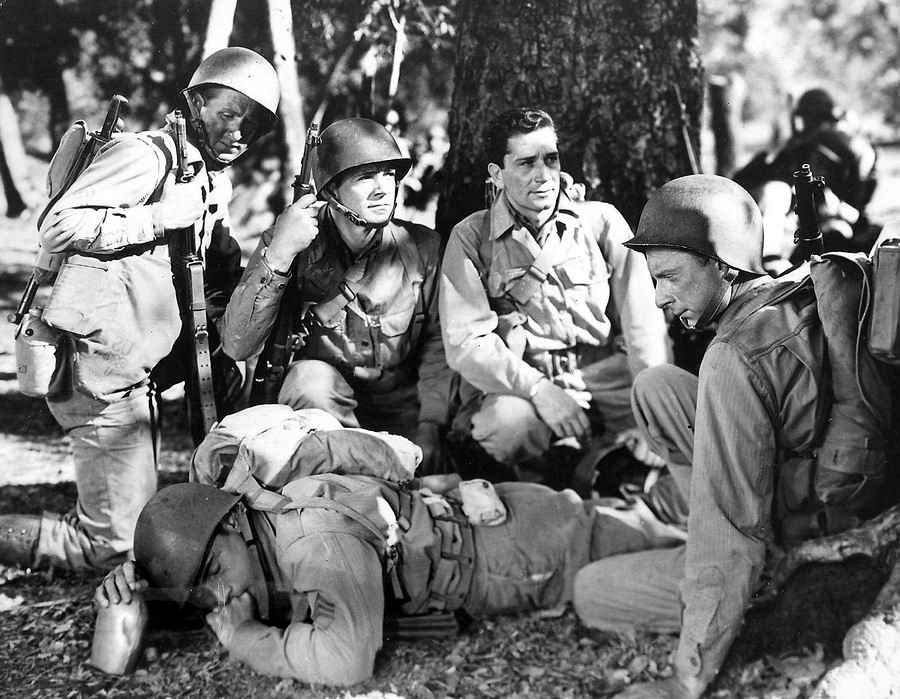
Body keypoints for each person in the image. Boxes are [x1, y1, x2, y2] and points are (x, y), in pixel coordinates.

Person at [572, 174, 895, 698]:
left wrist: (686, 679)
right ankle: (702, 528)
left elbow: (733, 536)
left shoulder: (732, 358)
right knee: (656, 387)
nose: (659, 298)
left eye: (671, 277)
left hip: (805, 549)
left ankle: (745, 593)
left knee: (593, 591)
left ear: (722, 265)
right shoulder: (792, 291)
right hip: (832, 493)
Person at [94, 403, 687, 687]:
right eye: (201, 588)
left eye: (211, 570)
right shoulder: (249, 517)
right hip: (499, 522)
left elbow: (346, 662)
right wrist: (136, 586)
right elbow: (203, 583)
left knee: (671, 561)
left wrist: (249, 638)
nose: (218, 593)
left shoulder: (315, 544)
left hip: (527, 549)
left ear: (230, 525)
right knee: (647, 526)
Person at [0, 47, 280, 573]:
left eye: (254, 122)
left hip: (142, 362)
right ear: (195, 105)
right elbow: (58, 225)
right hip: (99, 374)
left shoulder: (209, 175)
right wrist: (158, 217)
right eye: (228, 113)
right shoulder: (145, 157)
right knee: (113, 546)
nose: (239, 132)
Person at [439, 106, 670, 486]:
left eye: (551, 159)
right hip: (528, 383)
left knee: (681, 421)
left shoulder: (601, 222)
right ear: (497, 174)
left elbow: (644, 324)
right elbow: (466, 342)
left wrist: (655, 414)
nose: (544, 175)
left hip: (604, 377)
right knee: (506, 426)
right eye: (526, 163)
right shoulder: (471, 238)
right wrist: (540, 390)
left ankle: (602, 470)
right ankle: (551, 480)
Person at [222, 117, 454, 472]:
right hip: (326, 410)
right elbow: (238, 344)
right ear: (331, 191)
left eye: (388, 175)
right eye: (365, 177)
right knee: (308, 381)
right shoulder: (288, 243)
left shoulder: (422, 249)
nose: (383, 189)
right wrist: (280, 256)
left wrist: (431, 422)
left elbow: (439, 342)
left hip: (401, 404)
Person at [733, 88, 879, 275]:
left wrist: (838, 209)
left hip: (839, 225)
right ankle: (772, 259)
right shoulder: (804, 146)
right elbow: (757, 177)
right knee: (776, 192)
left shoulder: (843, 145)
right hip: (807, 223)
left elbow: (859, 215)